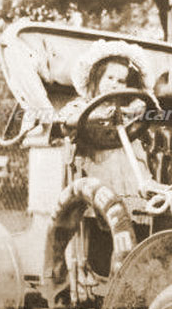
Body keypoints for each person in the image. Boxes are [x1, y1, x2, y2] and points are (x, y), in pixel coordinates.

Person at [57, 40, 154, 195]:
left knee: (136, 195)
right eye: (110, 78)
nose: (114, 84)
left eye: (121, 81)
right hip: (95, 172)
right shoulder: (83, 106)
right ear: (98, 79)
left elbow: (146, 111)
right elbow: (67, 120)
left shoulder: (130, 108)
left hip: (130, 171)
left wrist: (130, 113)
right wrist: (94, 117)